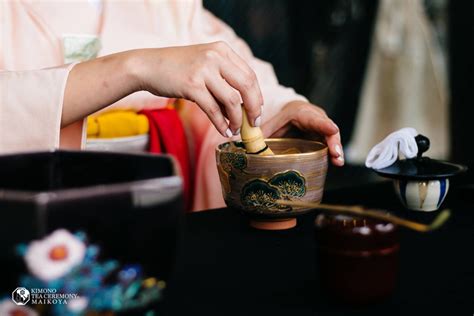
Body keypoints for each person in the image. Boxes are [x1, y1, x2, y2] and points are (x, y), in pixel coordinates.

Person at [0, 0, 344, 211]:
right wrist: (136, 68)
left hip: (156, 204)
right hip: (30, 210)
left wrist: (279, 111)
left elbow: (225, 60)